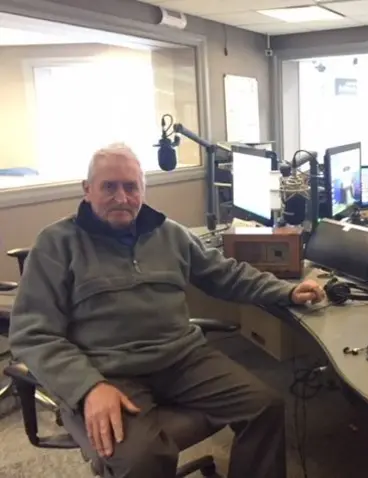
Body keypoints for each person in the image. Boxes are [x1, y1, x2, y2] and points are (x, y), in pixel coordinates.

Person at [9, 143, 326, 478]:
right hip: (107, 371)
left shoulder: (171, 234)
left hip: (182, 359)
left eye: (131, 187)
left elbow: (226, 275)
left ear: (143, 190)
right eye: (109, 187)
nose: (122, 197)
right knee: (142, 460)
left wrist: (287, 291)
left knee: (265, 406)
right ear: (87, 191)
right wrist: (88, 388)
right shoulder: (57, 243)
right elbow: (32, 333)